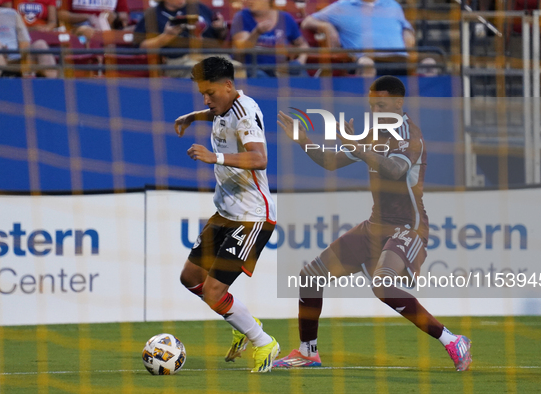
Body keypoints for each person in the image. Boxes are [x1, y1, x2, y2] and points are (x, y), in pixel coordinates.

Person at [273, 76, 472, 371]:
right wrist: (303, 140)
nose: (376, 109)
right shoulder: (373, 133)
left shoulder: (409, 135)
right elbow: (331, 162)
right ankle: (307, 352)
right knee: (311, 276)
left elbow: (394, 170)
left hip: (408, 226)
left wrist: (358, 145)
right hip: (375, 225)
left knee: (382, 285)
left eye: (381, 104)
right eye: (372, 104)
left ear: (398, 103)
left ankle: (451, 340)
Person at [174, 56, 279, 373]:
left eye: (210, 93)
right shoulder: (224, 107)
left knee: (213, 291)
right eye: (202, 94)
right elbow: (217, 112)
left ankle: (264, 342)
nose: (207, 100)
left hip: (252, 217)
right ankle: (243, 322)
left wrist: (214, 157)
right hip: (225, 213)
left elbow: (259, 159)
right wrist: (194, 116)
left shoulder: (245, 112)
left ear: (228, 85)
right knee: (190, 278)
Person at [301, 0, 415, 77]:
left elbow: (406, 27)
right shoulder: (342, 6)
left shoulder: (393, 5)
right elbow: (307, 22)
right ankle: (366, 110)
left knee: (428, 63)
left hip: (401, 60)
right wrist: (326, 26)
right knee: (367, 64)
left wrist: (408, 33)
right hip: (366, 60)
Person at [134, 0, 241, 78]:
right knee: (202, 71)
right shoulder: (152, 14)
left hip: (211, 54)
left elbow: (220, 37)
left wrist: (221, 28)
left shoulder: (198, 7)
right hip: (180, 59)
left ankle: (237, 106)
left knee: (237, 68)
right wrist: (166, 36)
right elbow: (141, 46)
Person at [230, 0, 309, 77]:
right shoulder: (241, 17)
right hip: (252, 69)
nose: (249, 1)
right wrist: (256, 33)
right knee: (261, 77)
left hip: (280, 71)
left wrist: (300, 62)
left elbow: (303, 45)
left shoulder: (285, 18)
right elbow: (240, 51)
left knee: (302, 76)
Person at [0, 0, 57, 77]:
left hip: (16, 56)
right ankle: (4, 82)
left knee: (41, 45)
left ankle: (51, 84)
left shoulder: (12, 14)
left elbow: (24, 40)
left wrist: (24, 60)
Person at [58, 0, 129, 41]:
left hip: (106, 28)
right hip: (77, 28)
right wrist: (87, 17)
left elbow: (124, 15)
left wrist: (115, 15)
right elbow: (61, 14)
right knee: (88, 32)